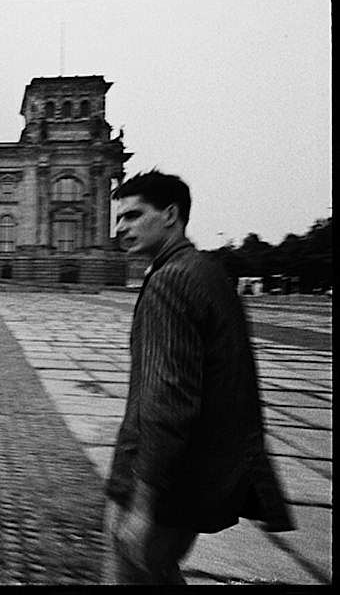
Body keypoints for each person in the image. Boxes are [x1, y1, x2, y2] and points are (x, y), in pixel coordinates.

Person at [103, 170, 295, 584]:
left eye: (134, 216)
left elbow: (166, 401)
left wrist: (141, 503)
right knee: (160, 573)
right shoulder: (206, 271)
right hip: (196, 481)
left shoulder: (169, 281)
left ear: (171, 214)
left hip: (163, 487)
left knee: (130, 578)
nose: (120, 228)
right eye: (119, 218)